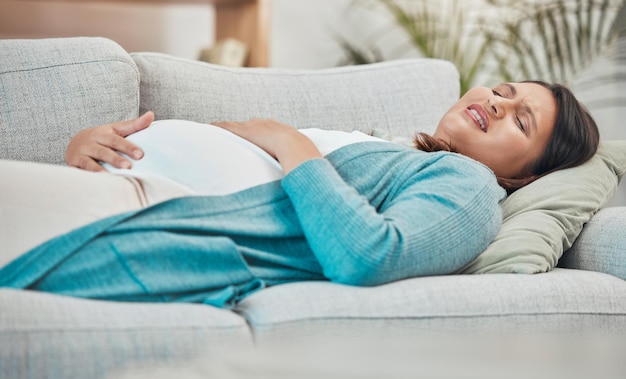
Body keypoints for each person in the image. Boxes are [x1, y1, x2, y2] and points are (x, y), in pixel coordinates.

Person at [0, 81, 599, 307]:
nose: (500, 102)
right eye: (505, 89)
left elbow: (370, 254)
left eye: (522, 121)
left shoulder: (469, 186)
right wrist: (86, 146)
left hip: (147, 216)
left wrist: (288, 140)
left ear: (524, 179)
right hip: (107, 186)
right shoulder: (389, 149)